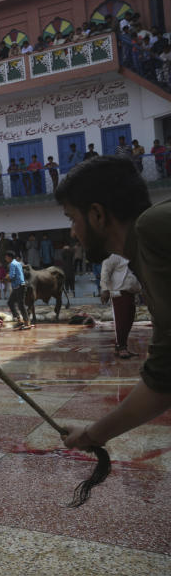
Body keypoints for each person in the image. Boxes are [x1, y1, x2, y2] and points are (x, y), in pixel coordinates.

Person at [55, 158, 171, 451]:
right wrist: (93, 435)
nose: (72, 231)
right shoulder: (143, 254)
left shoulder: (152, 229)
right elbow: (163, 378)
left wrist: (92, 435)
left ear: (96, 215)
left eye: (72, 219)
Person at [100, 253, 141, 359]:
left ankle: (123, 346)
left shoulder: (133, 256)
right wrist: (104, 289)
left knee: (129, 321)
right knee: (121, 321)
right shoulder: (114, 255)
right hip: (119, 292)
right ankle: (121, 347)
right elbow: (105, 271)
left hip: (131, 293)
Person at [5, 250, 30, 329]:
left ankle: (26, 322)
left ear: (9, 257)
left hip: (20, 286)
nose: (5, 258)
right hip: (18, 286)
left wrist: (6, 278)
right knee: (10, 302)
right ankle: (19, 320)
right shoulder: (18, 263)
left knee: (21, 305)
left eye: (6, 257)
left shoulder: (12, 264)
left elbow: (12, 276)